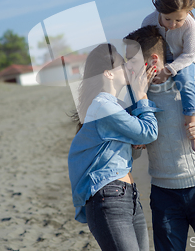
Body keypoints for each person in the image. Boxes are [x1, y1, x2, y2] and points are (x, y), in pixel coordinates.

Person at [125, 26, 195, 251]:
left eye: (132, 63)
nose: (128, 70)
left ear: (153, 61)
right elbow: (134, 154)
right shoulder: (134, 100)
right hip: (164, 194)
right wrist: (136, 143)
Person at [68, 43, 161, 251]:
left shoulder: (113, 106)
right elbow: (149, 132)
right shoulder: (103, 106)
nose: (128, 68)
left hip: (129, 195)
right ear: (108, 74)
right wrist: (141, 96)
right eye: (122, 65)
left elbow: (133, 152)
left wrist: (134, 142)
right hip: (109, 197)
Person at [141, 0, 195, 154]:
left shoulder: (189, 24)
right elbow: (144, 46)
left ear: (188, 13)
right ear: (159, 10)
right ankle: (141, 130)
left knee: (186, 82)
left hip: (183, 59)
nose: (173, 24)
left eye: (178, 20)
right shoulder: (148, 21)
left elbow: (190, 54)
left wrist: (168, 71)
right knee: (138, 83)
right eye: (168, 19)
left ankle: (193, 131)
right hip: (158, 57)